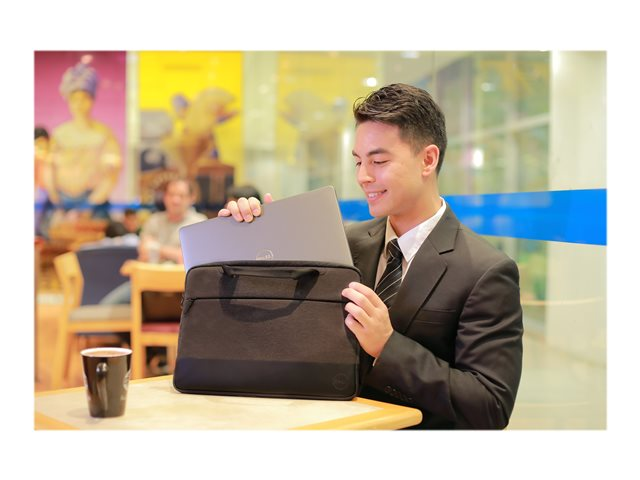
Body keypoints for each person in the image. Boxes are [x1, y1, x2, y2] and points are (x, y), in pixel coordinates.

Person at [219, 83, 523, 430]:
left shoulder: (485, 271)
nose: (363, 176)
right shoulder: (343, 243)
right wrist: (249, 239)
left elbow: (490, 405)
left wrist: (388, 347)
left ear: (428, 159)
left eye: (378, 161)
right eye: (359, 161)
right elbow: (281, 332)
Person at [40, 55, 122, 220]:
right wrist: (55, 198)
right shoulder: (60, 134)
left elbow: (111, 173)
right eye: (75, 99)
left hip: (93, 203)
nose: (79, 104)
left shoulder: (104, 134)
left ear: (92, 100)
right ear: (69, 101)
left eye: (84, 98)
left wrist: (92, 203)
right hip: (61, 203)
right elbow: (48, 168)